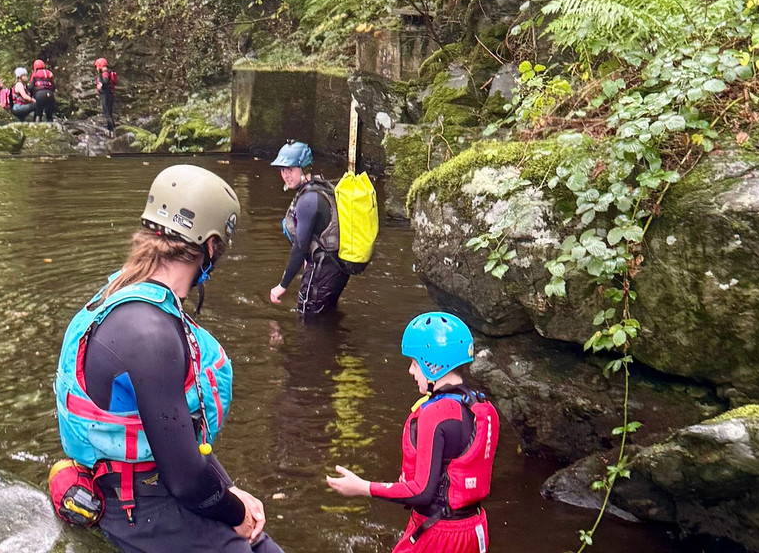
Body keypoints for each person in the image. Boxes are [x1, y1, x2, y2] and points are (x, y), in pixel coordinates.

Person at [53, 165, 285, 553]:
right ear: (211, 246)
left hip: (154, 480)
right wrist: (234, 511)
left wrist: (229, 494)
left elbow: (179, 450)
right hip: (134, 505)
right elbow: (187, 482)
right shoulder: (151, 335)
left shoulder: (126, 289)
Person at [327, 312, 500, 553]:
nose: (411, 371)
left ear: (433, 365)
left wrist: (363, 487)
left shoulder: (436, 414)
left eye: (415, 363)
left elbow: (421, 492)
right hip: (474, 529)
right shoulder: (481, 407)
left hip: (440, 533)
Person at [267, 140, 350, 319]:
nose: (286, 175)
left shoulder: (307, 200)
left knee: (308, 322)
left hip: (321, 272)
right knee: (328, 318)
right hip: (337, 270)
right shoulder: (320, 188)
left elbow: (300, 247)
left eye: (290, 169)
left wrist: (283, 285)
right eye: (282, 170)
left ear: (304, 168)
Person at [95, 57, 117, 133]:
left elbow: (105, 81)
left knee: (107, 113)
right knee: (109, 113)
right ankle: (113, 129)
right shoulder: (108, 72)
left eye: (97, 66)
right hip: (110, 94)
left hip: (106, 94)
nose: (96, 68)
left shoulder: (105, 73)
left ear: (100, 66)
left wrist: (101, 85)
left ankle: (110, 130)